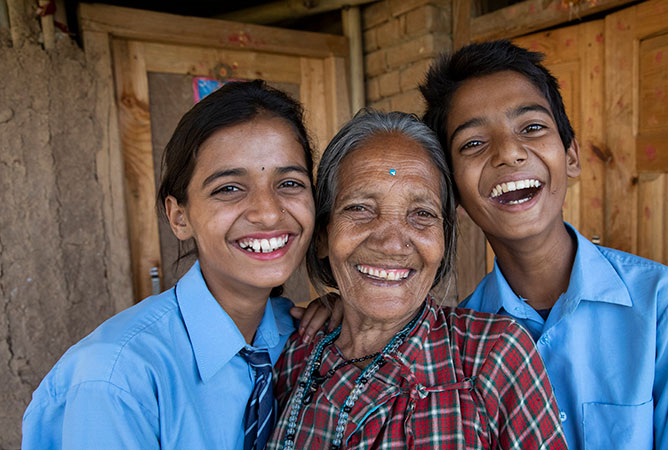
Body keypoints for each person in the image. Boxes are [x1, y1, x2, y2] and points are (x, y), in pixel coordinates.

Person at [419, 40, 668, 449]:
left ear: (571, 156)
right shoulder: (459, 342)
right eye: (473, 143)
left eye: (532, 128)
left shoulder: (663, 304)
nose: (509, 153)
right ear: (454, 194)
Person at [22, 80, 333, 450]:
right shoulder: (115, 378)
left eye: (289, 183)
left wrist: (359, 314)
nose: (268, 212)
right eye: (229, 188)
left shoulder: (301, 338)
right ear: (179, 216)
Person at [265, 110, 567, 450]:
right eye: (360, 208)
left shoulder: (492, 356)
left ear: (443, 239)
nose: (392, 243)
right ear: (323, 235)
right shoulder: (295, 354)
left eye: (421, 214)